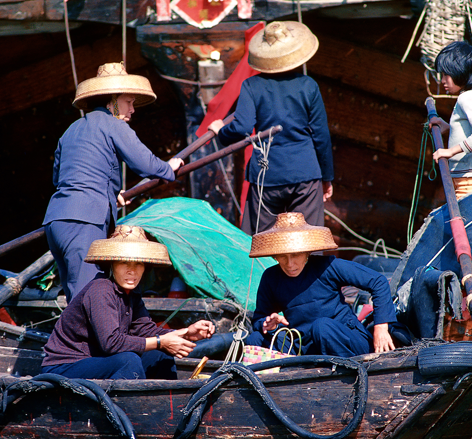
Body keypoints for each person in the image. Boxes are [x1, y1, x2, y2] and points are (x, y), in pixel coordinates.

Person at [42, 63, 184, 302]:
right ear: (113, 101)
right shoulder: (113, 125)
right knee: (87, 298)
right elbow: (146, 164)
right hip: (85, 220)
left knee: (73, 297)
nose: (133, 109)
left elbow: (63, 178)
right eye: (129, 102)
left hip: (56, 220)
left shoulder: (71, 130)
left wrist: (108, 194)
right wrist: (168, 168)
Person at [207, 21, 333, 235]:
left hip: (267, 176)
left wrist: (221, 132)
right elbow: (321, 136)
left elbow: (241, 127)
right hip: (305, 173)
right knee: (309, 242)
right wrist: (326, 177)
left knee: (263, 244)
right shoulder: (308, 85)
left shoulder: (251, 85)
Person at [40, 226, 215, 379]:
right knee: (128, 361)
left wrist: (186, 333)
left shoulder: (131, 293)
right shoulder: (101, 289)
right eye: (124, 263)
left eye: (138, 264)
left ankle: (164, 408)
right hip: (65, 367)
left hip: (99, 360)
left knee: (159, 356)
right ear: (112, 264)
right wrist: (162, 342)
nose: (132, 271)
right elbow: (111, 343)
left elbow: (145, 330)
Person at [241, 212, 409, 357]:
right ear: (275, 256)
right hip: (306, 345)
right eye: (283, 257)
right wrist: (267, 323)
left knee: (321, 327)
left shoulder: (327, 266)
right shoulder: (271, 278)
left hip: (345, 340)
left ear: (306, 252)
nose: (290, 263)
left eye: (295, 255)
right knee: (254, 339)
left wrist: (381, 328)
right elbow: (259, 318)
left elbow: (377, 281)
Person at [429, 41, 472, 199]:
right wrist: (446, 126)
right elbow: (468, 132)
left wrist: (450, 152)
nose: (442, 81)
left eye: (447, 74)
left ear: (460, 71)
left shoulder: (468, 98)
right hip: (469, 179)